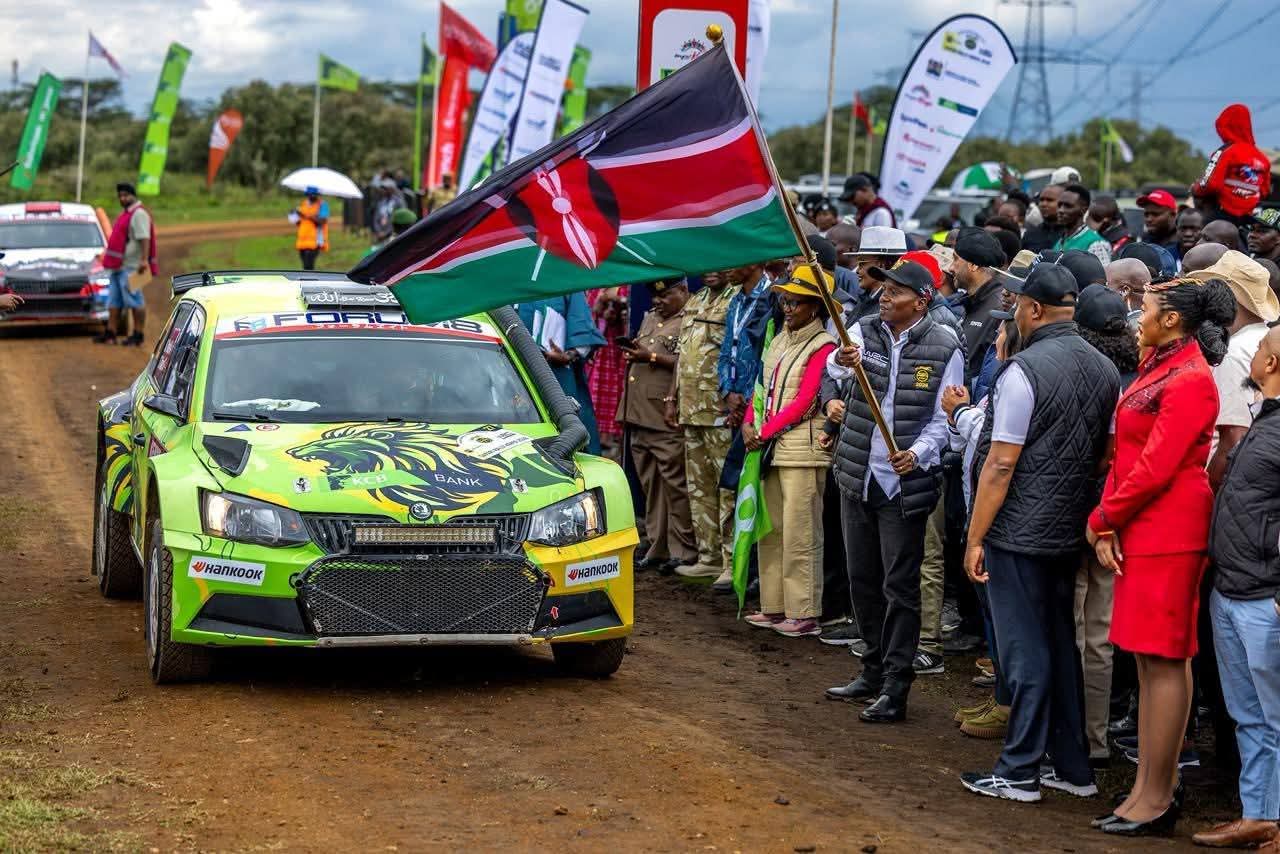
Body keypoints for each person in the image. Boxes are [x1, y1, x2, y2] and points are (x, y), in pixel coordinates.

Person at [959, 263, 1120, 803]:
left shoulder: (1023, 369)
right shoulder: (1103, 367)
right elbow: (1105, 454)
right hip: (1068, 527)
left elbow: (1000, 464)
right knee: (1058, 643)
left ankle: (1020, 768)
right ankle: (1072, 768)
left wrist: (976, 537)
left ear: (1032, 310)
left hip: (1020, 532)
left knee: (1025, 651)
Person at [1086, 276, 1233, 836]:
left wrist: (1103, 519)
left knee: (1166, 661)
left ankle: (1156, 793)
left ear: (1171, 319)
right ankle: (1150, 787)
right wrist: (1111, 522)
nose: (1135, 316)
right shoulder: (1162, 365)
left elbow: (1157, 465)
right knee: (1153, 663)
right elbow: (1132, 458)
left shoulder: (1190, 377)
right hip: (1145, 526)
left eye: (1142, 308)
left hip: (1168, 531)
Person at [823, 257, 964, 723]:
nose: (884, 297)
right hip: (859, 474)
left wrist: (919, 454)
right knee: (862, 580)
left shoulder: (946, 346)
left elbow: (947, 417)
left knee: (898, 586)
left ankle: (896, 687)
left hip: (903, 483)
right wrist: (841, 363)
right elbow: (837, 366)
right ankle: (872, 668)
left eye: (895, 292)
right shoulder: (864, 330)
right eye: (882, 290)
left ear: (921, 300)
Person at [1193, 325, 1280, 850]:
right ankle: (1260, 813)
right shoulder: (1265, 418)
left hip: (1264, 596)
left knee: (1272, 714)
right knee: (1250, 715)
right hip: (1234, 587)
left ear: (1269, 365)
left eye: (1261, 349)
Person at [742, 266, 837, 637]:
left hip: (802, 449)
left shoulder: (824, 345)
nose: (787, 307)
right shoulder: (780, 337)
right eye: (785, 300)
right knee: (772, 530)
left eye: (796, 302)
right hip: (772, 446)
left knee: (800, 533)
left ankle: (804, 612)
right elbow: (761, 385)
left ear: (815, 307)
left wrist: (762, 430)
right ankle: (774, 605)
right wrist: (749, 422)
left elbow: (806, 399)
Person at [1073, 284, 1140, 767]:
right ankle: (1095, 739)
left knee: (1075, 627)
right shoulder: (1142, 376)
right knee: (1099, 634)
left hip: (1084, 515)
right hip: (1123, 517)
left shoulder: (1084, 374)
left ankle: (1076, 734)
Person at [617, 279, 697, 572]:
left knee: (675, 485)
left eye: (666, 295)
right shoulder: (650, 316)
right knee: (651, 485)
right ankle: (657, 546)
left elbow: (686, 360)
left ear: (683, 292)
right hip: (638, 412)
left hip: (664, 414)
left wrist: (649, 356)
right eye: (655, 295)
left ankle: (684, 550)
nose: (659, 301)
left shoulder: (690, 318)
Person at [1191, 251, 1280, 491]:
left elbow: (1232, 439)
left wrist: (1209, 494)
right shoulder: (1268, 340)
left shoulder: (1236, 352)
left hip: (1236, 489)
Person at [668, 270, 736, 582]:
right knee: (698, 486)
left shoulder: (736, 298)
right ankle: (708, 555)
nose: (711, 271)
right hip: (691, 406)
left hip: (719, 409)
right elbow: (683, 355)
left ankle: (731, 559)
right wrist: (673, 397)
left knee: (727, 487)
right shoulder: (696, 300)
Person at [517, 292, 606, 454]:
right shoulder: (513, 280)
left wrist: (568, 356)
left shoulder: (564, 281)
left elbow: (582, 327)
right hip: (515, 375)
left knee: (567, 433)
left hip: (558, 375)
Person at [718, 262, 777, 431]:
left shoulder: (773, 297)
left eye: (732, 261)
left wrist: (748, 402)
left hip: (758, 404)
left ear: (752, 263)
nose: (726, 268)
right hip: (735, 403)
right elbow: (726, 350)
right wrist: (728, 393)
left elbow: (769, 357)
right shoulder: (736, 300)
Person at [1192, 104, 1272, 227]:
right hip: (1251, 217)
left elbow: (1210, 184)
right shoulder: (1263, 158)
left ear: (1224, 127)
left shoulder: (1225, 151)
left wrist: (1195, 188)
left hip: (1223, 214)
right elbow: (1264, 191)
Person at [97, 181, 156, 347]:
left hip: (132, 266)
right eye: (120, 196)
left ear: (133, 196)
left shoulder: (139, 214)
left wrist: (144, 260)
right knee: (114, 301)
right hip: (118, 266)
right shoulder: (127, 214)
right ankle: (111, 333)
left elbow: (145, 238)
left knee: (135, 299)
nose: (122, 198)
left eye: (126, 195)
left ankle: (138, 334)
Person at [950, 228, 1007, 381]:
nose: (950, 267)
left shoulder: (997, 308)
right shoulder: (974, 300)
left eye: (955, 259)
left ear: (973, 265)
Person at [586, 287, 628, 451]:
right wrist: (601, 305)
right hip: (600, 345)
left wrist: (619, 302)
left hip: (618, 346)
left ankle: (612, 436)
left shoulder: (626, 286)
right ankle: (597, 435)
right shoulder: (595, 287)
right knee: (595, 391)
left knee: (616, 388)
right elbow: (591, 311)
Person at [843, 226, 908, 321]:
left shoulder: (888, 308)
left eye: (862, 264)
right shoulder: (866, 298)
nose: (857, 271)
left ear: (881, 265)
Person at [1054, 184, 1112, 264]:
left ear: (1083, 210)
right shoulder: (1060, 241)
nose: (1061, 210)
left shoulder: (1096, 244)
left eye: (1068, 206)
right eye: (1059, 205)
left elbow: (1102, 275)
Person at [293, 185, 329, 272]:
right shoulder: (304, 204)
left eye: (314, 194)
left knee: (309, 267)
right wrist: (296, 216)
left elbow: (322, 221)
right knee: (305, 267)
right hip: (302, 240)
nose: (312, 196)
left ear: (317, 194)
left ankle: (310, 284)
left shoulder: (323, 205)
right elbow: (299, 222)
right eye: (310, 194)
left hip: (315, 241)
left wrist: (305, 215)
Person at [1137, 190, 1180, 258]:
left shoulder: (1183, 243)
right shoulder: (1144, 240)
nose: (1149, 219)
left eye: (1155, 214)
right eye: (1146, 214)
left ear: (1173, 215)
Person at [1021, 185, 1063, 254]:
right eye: (1041, 200)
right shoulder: (1030, 234)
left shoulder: (1070, 234)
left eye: (1050, 200)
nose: (1044, 204)